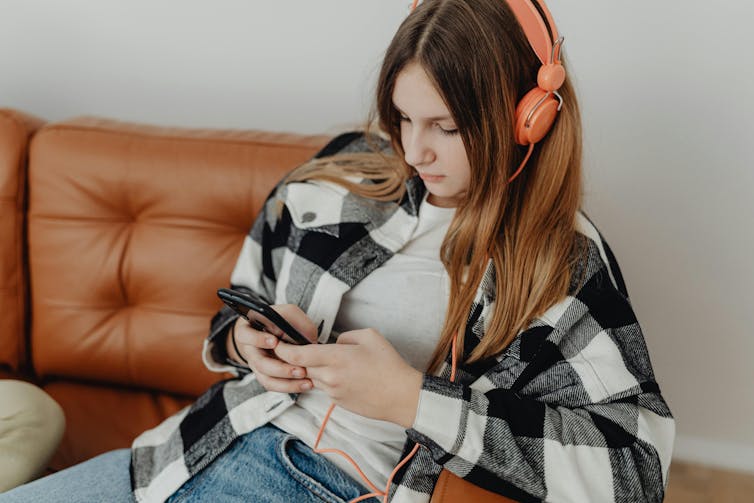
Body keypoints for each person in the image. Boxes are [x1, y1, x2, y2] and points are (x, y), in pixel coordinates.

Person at [0, 0, 675, 502]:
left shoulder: (560, 261)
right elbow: (241, 302)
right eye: (404, 118)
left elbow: (635, 465)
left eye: (446, 126)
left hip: (326, 485)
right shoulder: (344, 172)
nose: (415, 151)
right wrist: (246, 344)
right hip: (194, 447)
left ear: (528, 115)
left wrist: (413, 398)